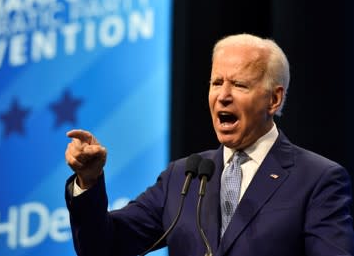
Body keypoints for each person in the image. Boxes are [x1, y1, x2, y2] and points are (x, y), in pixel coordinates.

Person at [64, 33, 354, 256]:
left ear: (273, 99)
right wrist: (88, 181)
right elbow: (102, 247)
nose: (223, 96)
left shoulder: (316, 179)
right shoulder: (184, 177)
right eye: (217, 83)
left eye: (239, 85)